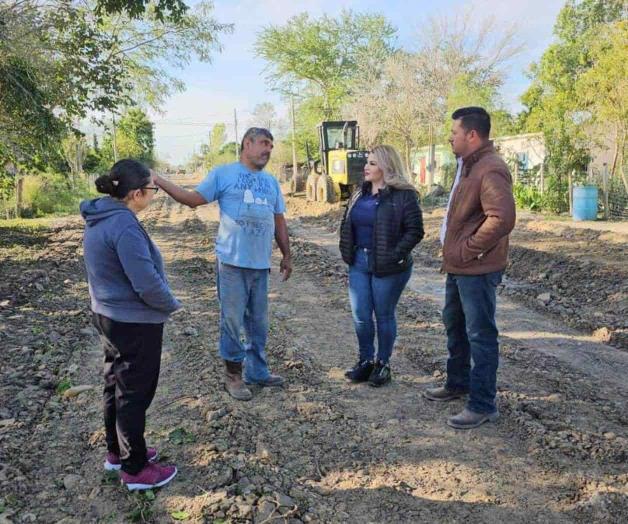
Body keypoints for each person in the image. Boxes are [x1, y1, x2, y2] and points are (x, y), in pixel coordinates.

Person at [153, 127, 292, 401]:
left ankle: (258, 372)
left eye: (271, 145)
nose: (268, 149)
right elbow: (192, 200)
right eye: (264, 143)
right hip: (231, 263)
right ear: (247, 144)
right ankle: (233, 376)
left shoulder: (271, 182)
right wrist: (159, 180)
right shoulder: (223, 173)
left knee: (259, 324)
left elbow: (278, 220)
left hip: (260, 264)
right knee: (232, 322)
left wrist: (286, 254)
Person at [80, 159, 180, 490]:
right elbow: (147, 284)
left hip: (109, 315)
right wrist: (172, 304)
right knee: (133, 394)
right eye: (152, 190)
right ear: (136, 193)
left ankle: (118, 453)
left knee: (115, 385)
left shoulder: (101, 215)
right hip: (133, 321)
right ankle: (135, 469)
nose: (154, 195)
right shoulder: (123, 225)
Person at [423, 107, 516, 429]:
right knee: (455, 325)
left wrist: (467, 250)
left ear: (472, 135)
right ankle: (458, 383)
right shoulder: (468, 166)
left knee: (480, 334)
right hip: (459, 267)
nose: (450, 138)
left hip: (475, 268)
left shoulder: (490, 168)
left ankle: (482, 404)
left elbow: (502, 218)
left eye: (454, 133)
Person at [339, 145, 424, 387]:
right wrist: (346, 247)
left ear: (387, 166)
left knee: (383, 314)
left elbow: (415, 231)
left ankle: (383, 364)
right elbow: (348, 222)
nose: (366, 167)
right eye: (367, 162)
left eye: (373, 163)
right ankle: (365, 361)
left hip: (389, 266)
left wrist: (394, 255)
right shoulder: (360, 192)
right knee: (361, 315)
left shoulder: (404, 195)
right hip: (359, 262)